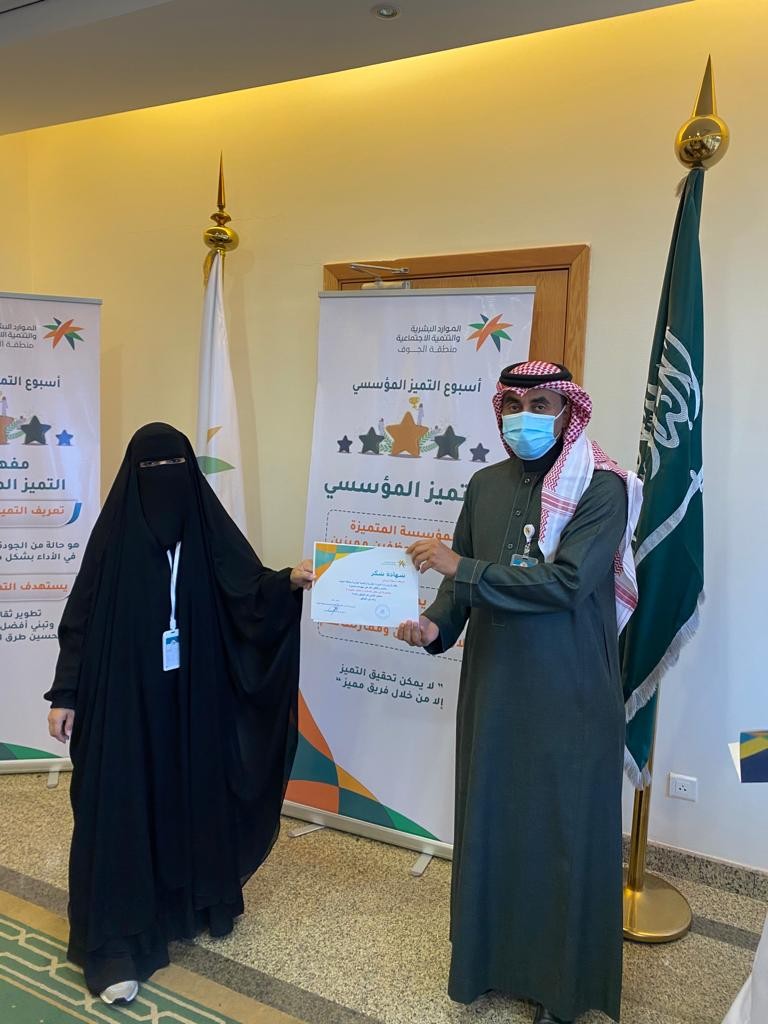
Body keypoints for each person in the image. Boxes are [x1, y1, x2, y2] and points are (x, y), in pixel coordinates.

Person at [396, 361, 642, 1024]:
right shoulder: (485, 485)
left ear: (567, 413)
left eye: (540, 405)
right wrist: (434, 626)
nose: (524, 417)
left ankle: (562, 990)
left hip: (569, 690)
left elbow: (568, 583)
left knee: (562, 834)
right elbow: (458, 588)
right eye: (512, 404)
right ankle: (488, 964)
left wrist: (463, 568)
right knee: (494, 824)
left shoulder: (603, 487)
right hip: (497, 686)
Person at [45, 422, 313, 1005]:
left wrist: (285, 583)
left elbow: (246, 590)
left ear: (189, 475)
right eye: (150, 469)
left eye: (173, 468)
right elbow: (80, 617)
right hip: (122, 703)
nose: (162, 481)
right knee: (121, 804)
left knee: (190, 791)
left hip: (193, 700)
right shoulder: (114, 539)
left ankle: (190, 902)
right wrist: (65, 694)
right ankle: (116, 944)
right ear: (132, 476)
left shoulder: (205, 531)